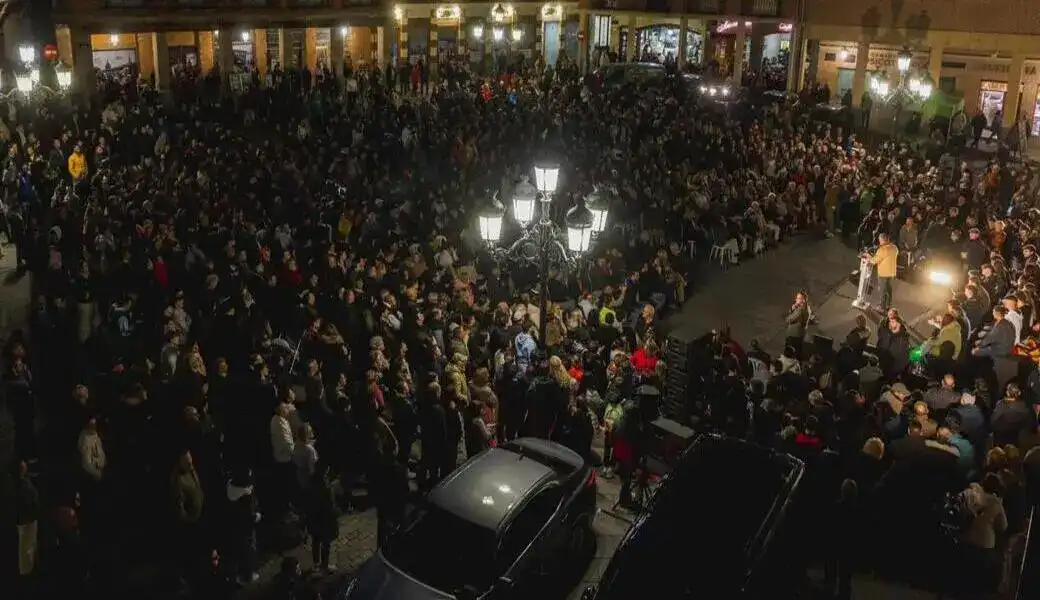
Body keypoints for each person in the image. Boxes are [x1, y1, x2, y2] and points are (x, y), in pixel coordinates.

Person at [866, 232, 898, 311]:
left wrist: (868, 256)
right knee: (888, 289)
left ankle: (882, 306)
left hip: (883, 274)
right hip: (892, 273)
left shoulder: (882, 250)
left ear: (883, 240)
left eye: (880, 240)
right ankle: (888, 304)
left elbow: (873, 261)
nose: (879, 242)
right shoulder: (894, 248)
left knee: (882, 290)